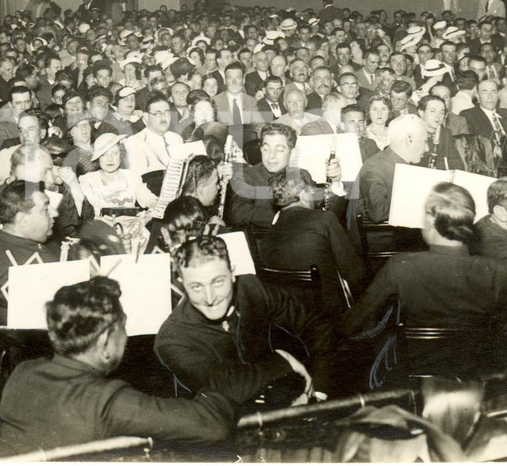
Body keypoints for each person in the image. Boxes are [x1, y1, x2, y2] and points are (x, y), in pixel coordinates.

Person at [0, 276, 235, 455]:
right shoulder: (107, 401)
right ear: (105, 340)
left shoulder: (22, 373)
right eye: (124, 326)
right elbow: (212, 426)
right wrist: (224, 380)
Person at [341, 183, 507, 379]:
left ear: (431, 220)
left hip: (413, 382)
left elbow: (353, 327)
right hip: (477, 381)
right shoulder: (499, 271)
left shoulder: (401, 265)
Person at [154, 236, 335, 405]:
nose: (209, 298)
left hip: (276, 396)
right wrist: (282, 361)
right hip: (218, 422)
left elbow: (316, 325)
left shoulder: (251, 288)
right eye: (196, 287)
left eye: (218, 282)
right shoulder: (171, 339)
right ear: (182, 283)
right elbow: (227, 387)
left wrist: (319, 389)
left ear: (232, 273)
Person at [262, 172, 367, 315]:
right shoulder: (324, 219)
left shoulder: (269, 233)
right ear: (303, 193)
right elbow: (354, 273)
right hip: (331, 315)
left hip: (291, 316)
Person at [227, 123, 344, 229]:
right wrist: (285, 219)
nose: (271, 156)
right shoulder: (247, 176)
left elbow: (324, 208)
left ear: (292, 153)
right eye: (266, 149)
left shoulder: (302, 174)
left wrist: (336, 182)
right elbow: (239, 212)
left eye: (279, 150)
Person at [0, 180, 60, 324]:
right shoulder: (19, 266)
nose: (54, 213)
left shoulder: (8, 243)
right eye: (45, 209)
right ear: (23, 220)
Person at [78, 133, 157, 216]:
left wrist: (151, 211)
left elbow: (148, 199)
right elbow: (87, 212)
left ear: (121, 154)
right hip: (102, 227)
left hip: (132, 225)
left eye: (114, 153)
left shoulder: (131, 176)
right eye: (104, 154)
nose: (110, 159)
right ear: (98, 158)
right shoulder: (88, 180)